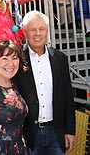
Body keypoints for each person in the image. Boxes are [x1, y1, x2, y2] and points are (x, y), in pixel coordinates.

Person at [15, 10, 76, 155]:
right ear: (24, 32)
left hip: (56, 133)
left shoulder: (59, 58)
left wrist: (70, 131)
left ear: (47, 31)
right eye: (32, 30)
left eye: (41, 29)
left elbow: (68, 97)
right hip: (28, 135)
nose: (37, 34)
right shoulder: (16, 59)